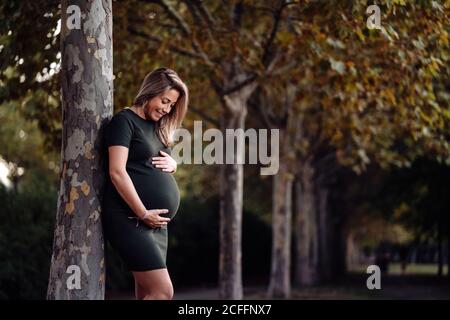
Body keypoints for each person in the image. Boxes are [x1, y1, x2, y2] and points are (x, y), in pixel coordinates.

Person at [102, 68, 188, 300]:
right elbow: (117, 172)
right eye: (165, 101)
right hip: (130, 217)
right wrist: (142, 213)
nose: (167, 109)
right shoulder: (124, 122)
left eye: (172, 105)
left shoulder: (158, 127)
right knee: (162, 291)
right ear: (151, 92)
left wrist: (174, 165)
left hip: (157, 223)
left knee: (148, 293)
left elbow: (155, 163)